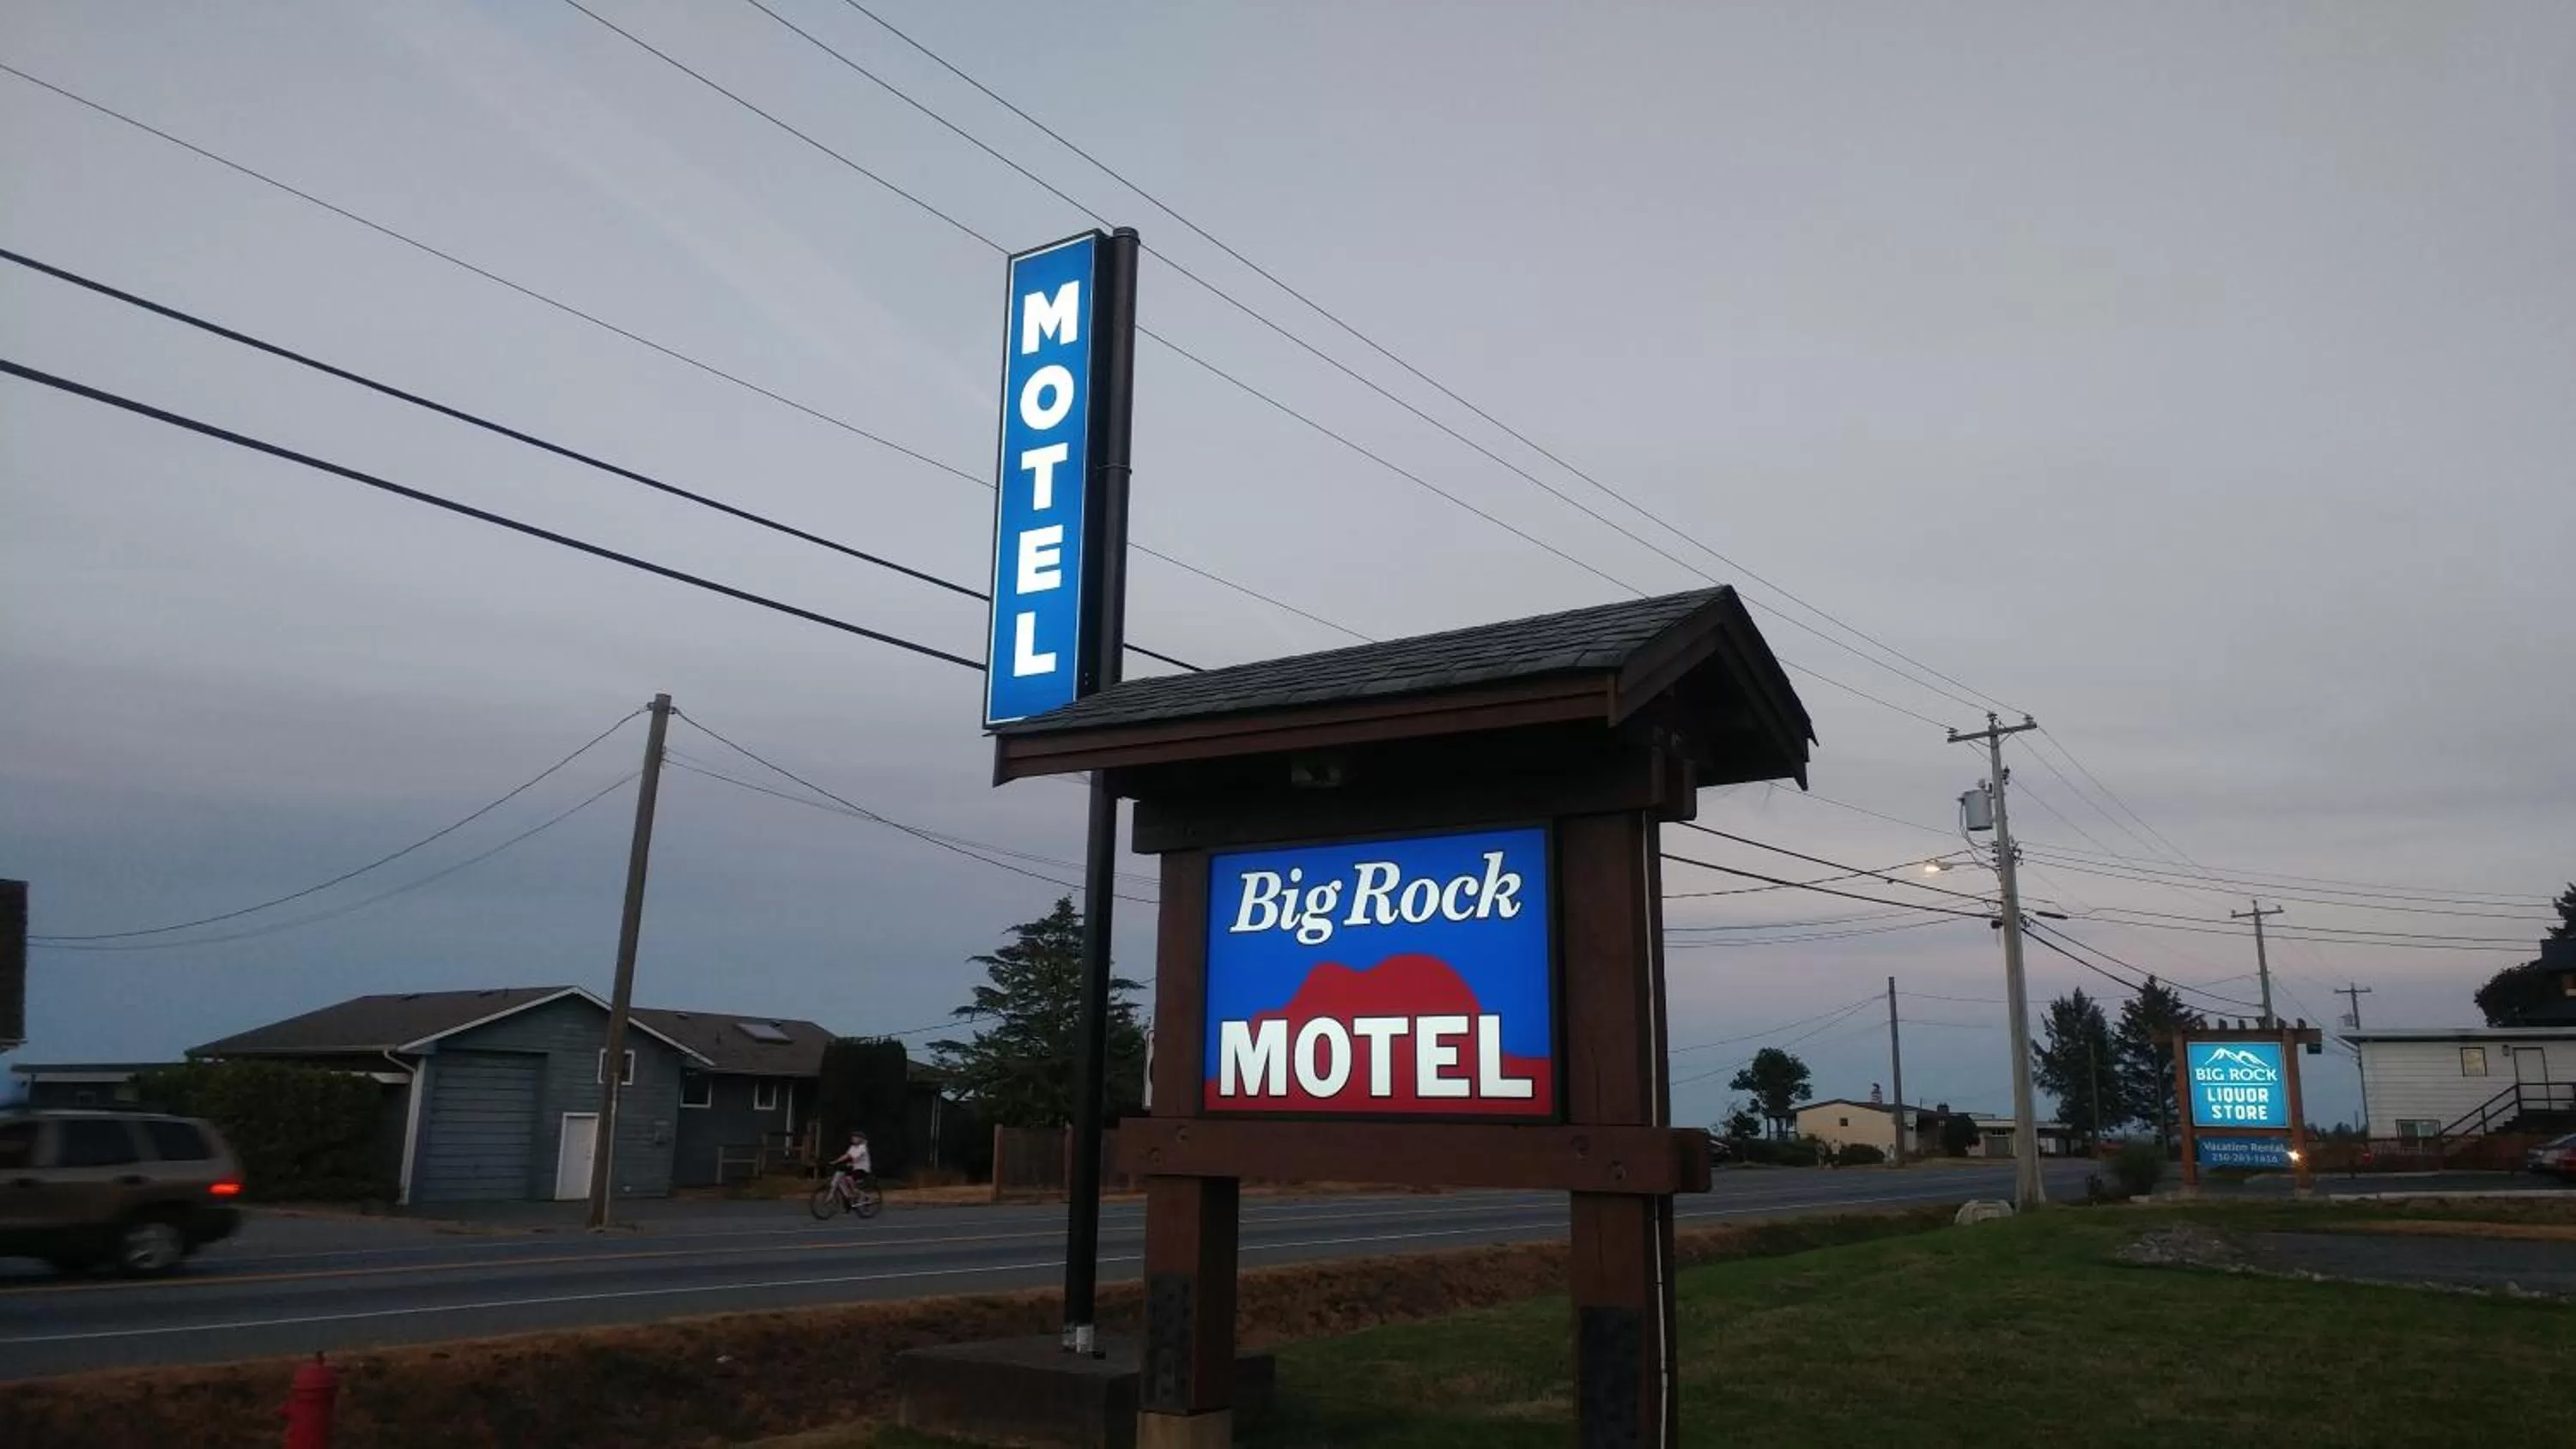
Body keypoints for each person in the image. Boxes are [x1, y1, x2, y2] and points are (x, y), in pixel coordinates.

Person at [828, 1131, 873, 1195]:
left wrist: (851, 1163)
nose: (853, 1139)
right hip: (854, 1168)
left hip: (862, 1169)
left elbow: (857, 1157)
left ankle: (855, 1191)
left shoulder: (863, 1147)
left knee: (849, 1178)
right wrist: (835, 1162)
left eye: (855, 1138)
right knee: (842, 1176)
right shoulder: (852, 1147)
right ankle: (849, 1194)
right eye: (852, 1138)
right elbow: (846, 1156)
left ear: (860, 1139)